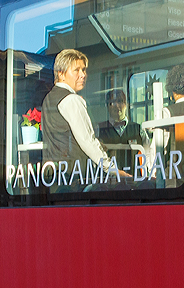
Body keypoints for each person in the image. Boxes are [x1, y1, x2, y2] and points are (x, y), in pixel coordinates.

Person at [41, 49, 124, 187]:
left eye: (84, 70)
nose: (83, 75)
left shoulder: (48, 99)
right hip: (75, 177)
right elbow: (87, 141)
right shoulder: (71, 99)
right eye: (76, 70)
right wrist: (112, 169)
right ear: (61, 74)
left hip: (55, 176)